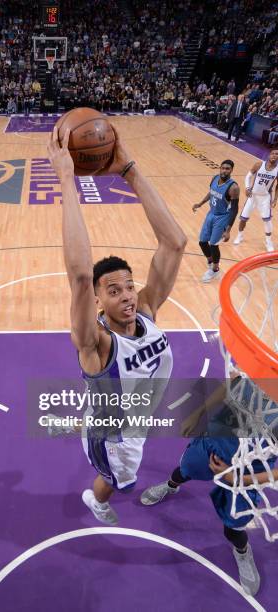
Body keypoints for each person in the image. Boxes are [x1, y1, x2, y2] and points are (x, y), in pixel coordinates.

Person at [47, 126, 186, 525]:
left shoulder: (146, 310)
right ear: (97, 301)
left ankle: (84, 419)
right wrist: (66, 180)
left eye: (129, 285)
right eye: (112, 290)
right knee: (118, 480)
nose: (126, 295)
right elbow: (78, 275)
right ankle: (98, 501)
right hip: (116, 435)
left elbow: (174, 242)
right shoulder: (95, 342)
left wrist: (129, 170)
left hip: (132, 413)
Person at [140, 375, 278, 596]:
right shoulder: (258, 367)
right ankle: (170, 486)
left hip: (249, 471)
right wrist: (198, 414)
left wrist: (238, 479)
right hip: (214, 444)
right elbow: (231, 384)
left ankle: (242, 551)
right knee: (183, 470)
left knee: (233, 527)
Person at [193, 160, 239, 283]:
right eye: (223, 168)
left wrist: (228, 230)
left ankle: (215, 269)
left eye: (227, 168)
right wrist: (200, 203)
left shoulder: (233, 187)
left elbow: (234, 210)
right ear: (220, 168)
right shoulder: (215, 178)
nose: (224, 170)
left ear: (231, 170)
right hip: (211, 214)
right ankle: (210, 262)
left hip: (222, 217)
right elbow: (211, 193)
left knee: (213, 244)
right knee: (202, 242)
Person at [234, 147, 278, 252]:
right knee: (243, 218)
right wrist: (247, 188)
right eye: (273, 153)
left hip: (265, 198)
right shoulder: (259, 164)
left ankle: (268, 241)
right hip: (252, 196)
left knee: (267, 220)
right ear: (269, 154)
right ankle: (240, 236)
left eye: (277, 154)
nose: (274, 156)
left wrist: (275, 199)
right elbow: (248, 177)